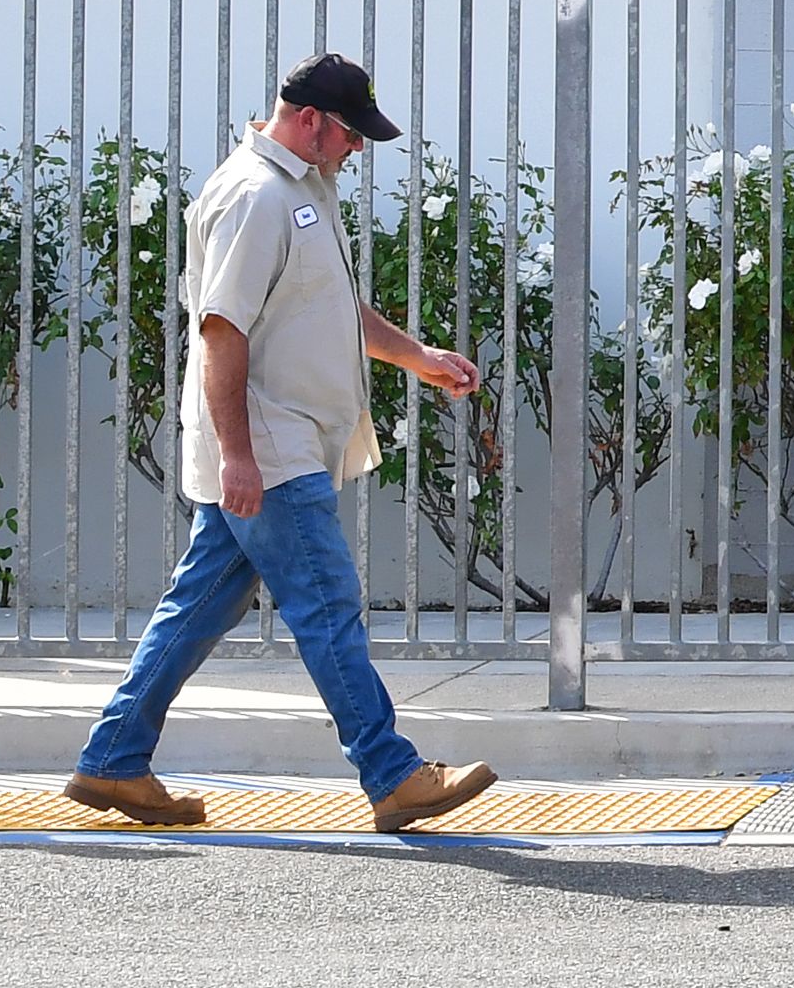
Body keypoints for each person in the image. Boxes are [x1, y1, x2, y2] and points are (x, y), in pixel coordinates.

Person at [64, 55, 501, 834]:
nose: (357, 149)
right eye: (350, 133)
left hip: (277, 445)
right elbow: (221, 330)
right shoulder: (255, 197)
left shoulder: (302, 188)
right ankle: (393, 773)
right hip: (270, 451)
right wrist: (238, 454)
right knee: (327, 604)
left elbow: (332, 308)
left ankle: (114, 759)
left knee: (196, 608)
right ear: (307, 120)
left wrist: (419, 358)